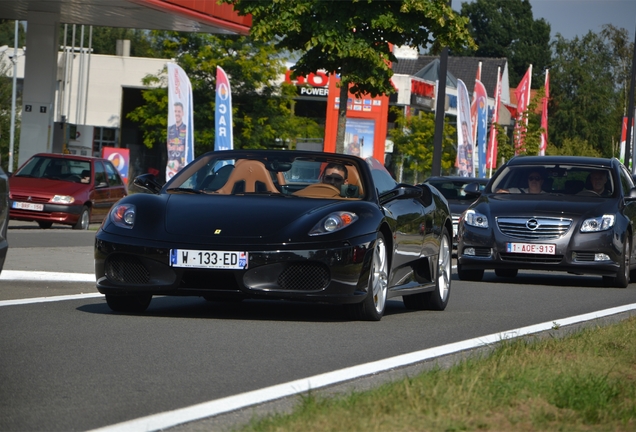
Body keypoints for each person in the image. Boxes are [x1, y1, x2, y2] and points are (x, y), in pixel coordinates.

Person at [167, 102, 187, 179]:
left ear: (182, 113)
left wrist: (179, 161)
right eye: (175, 111)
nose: (177, 113)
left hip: (183, 167)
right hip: (171, 167)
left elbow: (187, 148)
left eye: (179, 111)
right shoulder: (170, 129)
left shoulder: (186, 129)